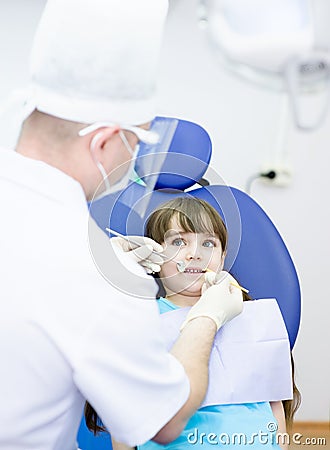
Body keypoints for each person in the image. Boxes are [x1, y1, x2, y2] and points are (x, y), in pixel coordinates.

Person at [0, 2, 244, 450]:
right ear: (104, 141)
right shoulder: (97, 274)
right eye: (136, 147)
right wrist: (208, 317)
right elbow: (164, 422)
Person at [108, 197, 300, 450]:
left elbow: (273, 401)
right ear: (154, 255)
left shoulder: (248, 317)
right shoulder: (141, 318)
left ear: (222, 257)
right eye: (178, 242)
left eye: (208, 243)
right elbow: (122, 406)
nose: (195, 254)